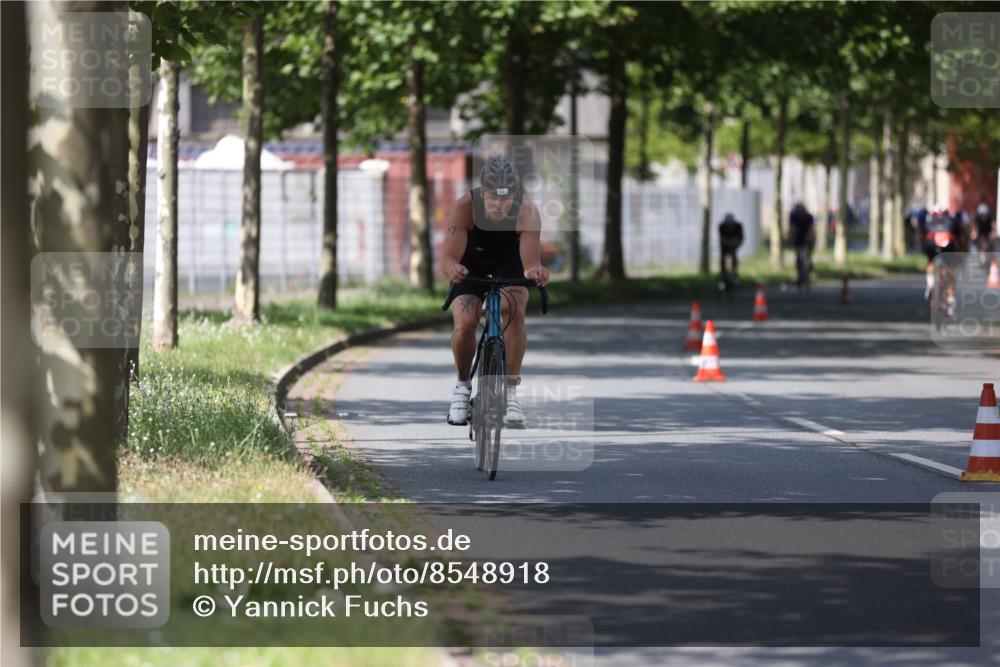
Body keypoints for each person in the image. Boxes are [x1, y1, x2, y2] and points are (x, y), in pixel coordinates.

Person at [440, 158, 550, 428]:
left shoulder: (527, 211)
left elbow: (530, 264)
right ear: (482, 193)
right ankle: (462, 387)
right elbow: (447, 258)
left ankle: (511, 392)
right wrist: (453, 269)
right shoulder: (465, 207)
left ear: (514, 195)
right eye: (493, 200)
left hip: (509, 262)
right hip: (472, 263)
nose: (499, 206)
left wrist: (536, 272)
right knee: (465, 322)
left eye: (505, 199)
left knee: (512, 309)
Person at [923, 203, 963, 315]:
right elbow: (959, 238)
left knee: (931, 262)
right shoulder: (952, 220)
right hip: (948, 244)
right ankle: (950, 299)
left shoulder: (929, 221)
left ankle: (930, 284)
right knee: (951, 270)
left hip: (930, 244)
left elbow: (922, 236)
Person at [789, 202, 815, 286]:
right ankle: (799, 273)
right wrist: (791, 238)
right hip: (799, 236)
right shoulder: (793, 217)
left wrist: (809, 242)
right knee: (798, 255)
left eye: (802, 215)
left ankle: (810, 260)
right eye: (799, 215)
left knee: (808, 252)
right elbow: (792, 229)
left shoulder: (809, 217)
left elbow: (810, 231)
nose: (801, 217)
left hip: (807, 234)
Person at [718, 213, 744, 284]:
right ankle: (723, 272)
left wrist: (733, 244)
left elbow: (739, 239)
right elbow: (722, 239)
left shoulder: (738, 226)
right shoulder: (722, 226)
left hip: (735, 243)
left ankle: (734, 271)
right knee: (723, 257)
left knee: (734, 255)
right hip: (725, 245)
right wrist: (730, 242)